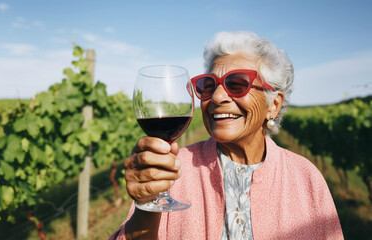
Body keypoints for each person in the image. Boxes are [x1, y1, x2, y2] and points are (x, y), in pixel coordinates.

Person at [109, 31, 343, 240]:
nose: (218, 97)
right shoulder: (174, 170)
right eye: (208, 85)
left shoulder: (306, 179)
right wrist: (145, 207)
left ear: (273, 105)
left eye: (237, 83)